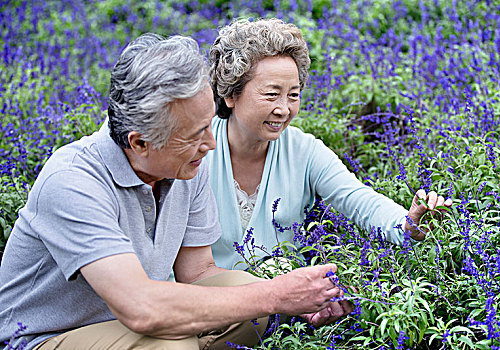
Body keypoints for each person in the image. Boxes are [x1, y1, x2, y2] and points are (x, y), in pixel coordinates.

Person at [0, 33, 352, 350]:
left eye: (207, 126)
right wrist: (277, 295)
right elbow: (141, 309)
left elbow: (198, 272)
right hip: (44, 336)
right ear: (140, 142)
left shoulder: (182, 165)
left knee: (248, 299)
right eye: (196, 134)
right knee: (170, 345)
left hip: (134, 322)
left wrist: (295, 301)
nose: (211, 144)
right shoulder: (73, 182)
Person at [207, 18, 453, 270]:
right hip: (206, 299)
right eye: (271, 94)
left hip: (285, 302)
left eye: (293, 95)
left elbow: (357, 198)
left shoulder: (304, 151)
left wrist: (406, 224)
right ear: (230, 94)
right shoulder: (198, 150)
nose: (283, 109)